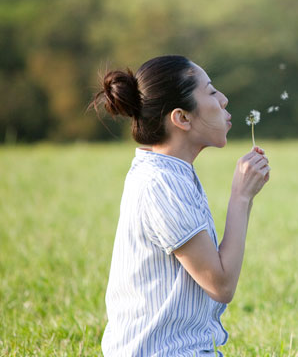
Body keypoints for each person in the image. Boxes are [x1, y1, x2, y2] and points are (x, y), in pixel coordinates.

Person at [91, 55, 270, 356]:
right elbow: (221, 285)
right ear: (182, 118)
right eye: (211, 92)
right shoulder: (161, 186)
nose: (223, 100)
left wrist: (245, 195)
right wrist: (240, 197)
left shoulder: (171, 174)